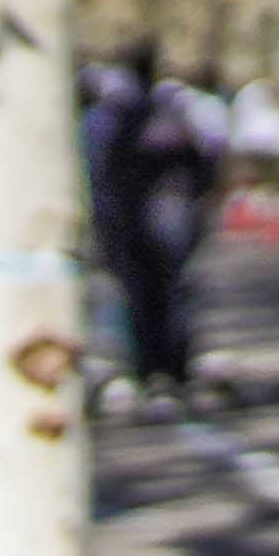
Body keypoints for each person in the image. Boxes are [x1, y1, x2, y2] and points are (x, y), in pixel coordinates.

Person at [82, 46, 219, 404]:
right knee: (157, 296)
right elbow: (203, 163)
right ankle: (162, 368)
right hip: (157, 220)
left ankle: (162, 368)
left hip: (153, 221)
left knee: (155, 296)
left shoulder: (132, 118)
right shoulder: (164, 114)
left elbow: (104, 175)